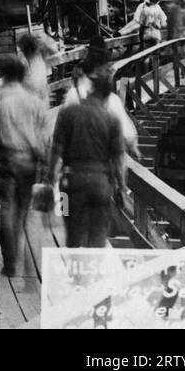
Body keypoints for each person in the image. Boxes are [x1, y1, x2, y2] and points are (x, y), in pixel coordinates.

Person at [0, 56, 49, 276]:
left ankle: (10, 262)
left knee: (5, 209)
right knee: (21, 210)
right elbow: (44, 135)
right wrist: (45, 162)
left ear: (4, 75)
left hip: (5, 160)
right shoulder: (34, 100)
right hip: (30, 163)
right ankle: (16, 252)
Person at [50, 70, 126, 249]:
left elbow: (56, 149)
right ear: (107, 95)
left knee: (72, 233)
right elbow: (118, 158)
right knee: (98, 235)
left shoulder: (68, 113)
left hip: (69, 184)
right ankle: (93, 272)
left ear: (90, 90)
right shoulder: (112, 119)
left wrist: (49, 178)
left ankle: (74, 272)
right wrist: (121, 187)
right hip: (101, 184)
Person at [16, 28, 52, 104]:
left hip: (33, 94)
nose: (21, 50)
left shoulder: (29, 58)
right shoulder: (39, 55)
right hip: (40, 92)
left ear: (26, 48)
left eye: (21, 48)